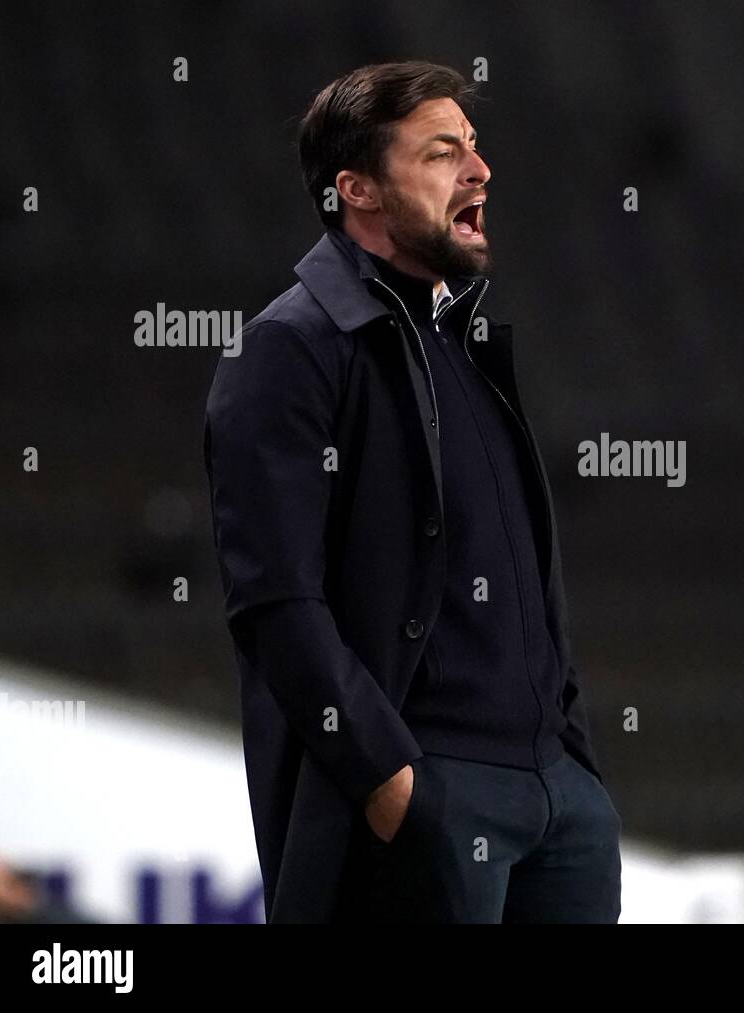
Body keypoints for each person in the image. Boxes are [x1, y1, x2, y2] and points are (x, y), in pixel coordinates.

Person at [203, 61, 621, 923]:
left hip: (556, 799)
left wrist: (574, 763)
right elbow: (277, 601)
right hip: (429, 792)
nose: (480, 171)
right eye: (442, 154)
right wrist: (391, 780)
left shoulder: (465, 341)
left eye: (473, 147)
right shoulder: (289, 348)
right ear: (356, 188)